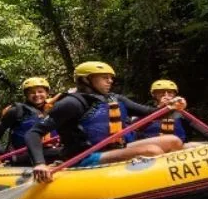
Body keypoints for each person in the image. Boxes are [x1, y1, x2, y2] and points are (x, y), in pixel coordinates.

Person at [25, 61, 188, 183]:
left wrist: (171, 107)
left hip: (116, 147)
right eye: (104, 78)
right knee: (152, 151)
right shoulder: (71, 103)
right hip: (86, 156)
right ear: (86, 80)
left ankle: (180, 182)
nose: (110, 81)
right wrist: (39, 164)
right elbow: (34, 133)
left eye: (111, 78)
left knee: (173, 141)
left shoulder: (115, 99)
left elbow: (151, 113)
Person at [0, 77, 61, 167]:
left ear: (47, 93)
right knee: (63, 152)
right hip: (23, 155)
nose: (37, 95)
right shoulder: (17, 110)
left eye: (40, 91)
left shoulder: (55, 109)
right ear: (26, 95)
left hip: (50, 152)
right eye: (32, 92)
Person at [134, 79, 187, 144]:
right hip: (152, 145)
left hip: (178, 146)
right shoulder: (145, 109)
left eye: (170, 92)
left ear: (174, 94)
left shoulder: (180, 111)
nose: (166, 95)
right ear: (154, 94)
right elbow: (135, 127)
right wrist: (160, 107)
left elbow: (197, 127)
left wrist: (181, 109)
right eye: (161, 92)